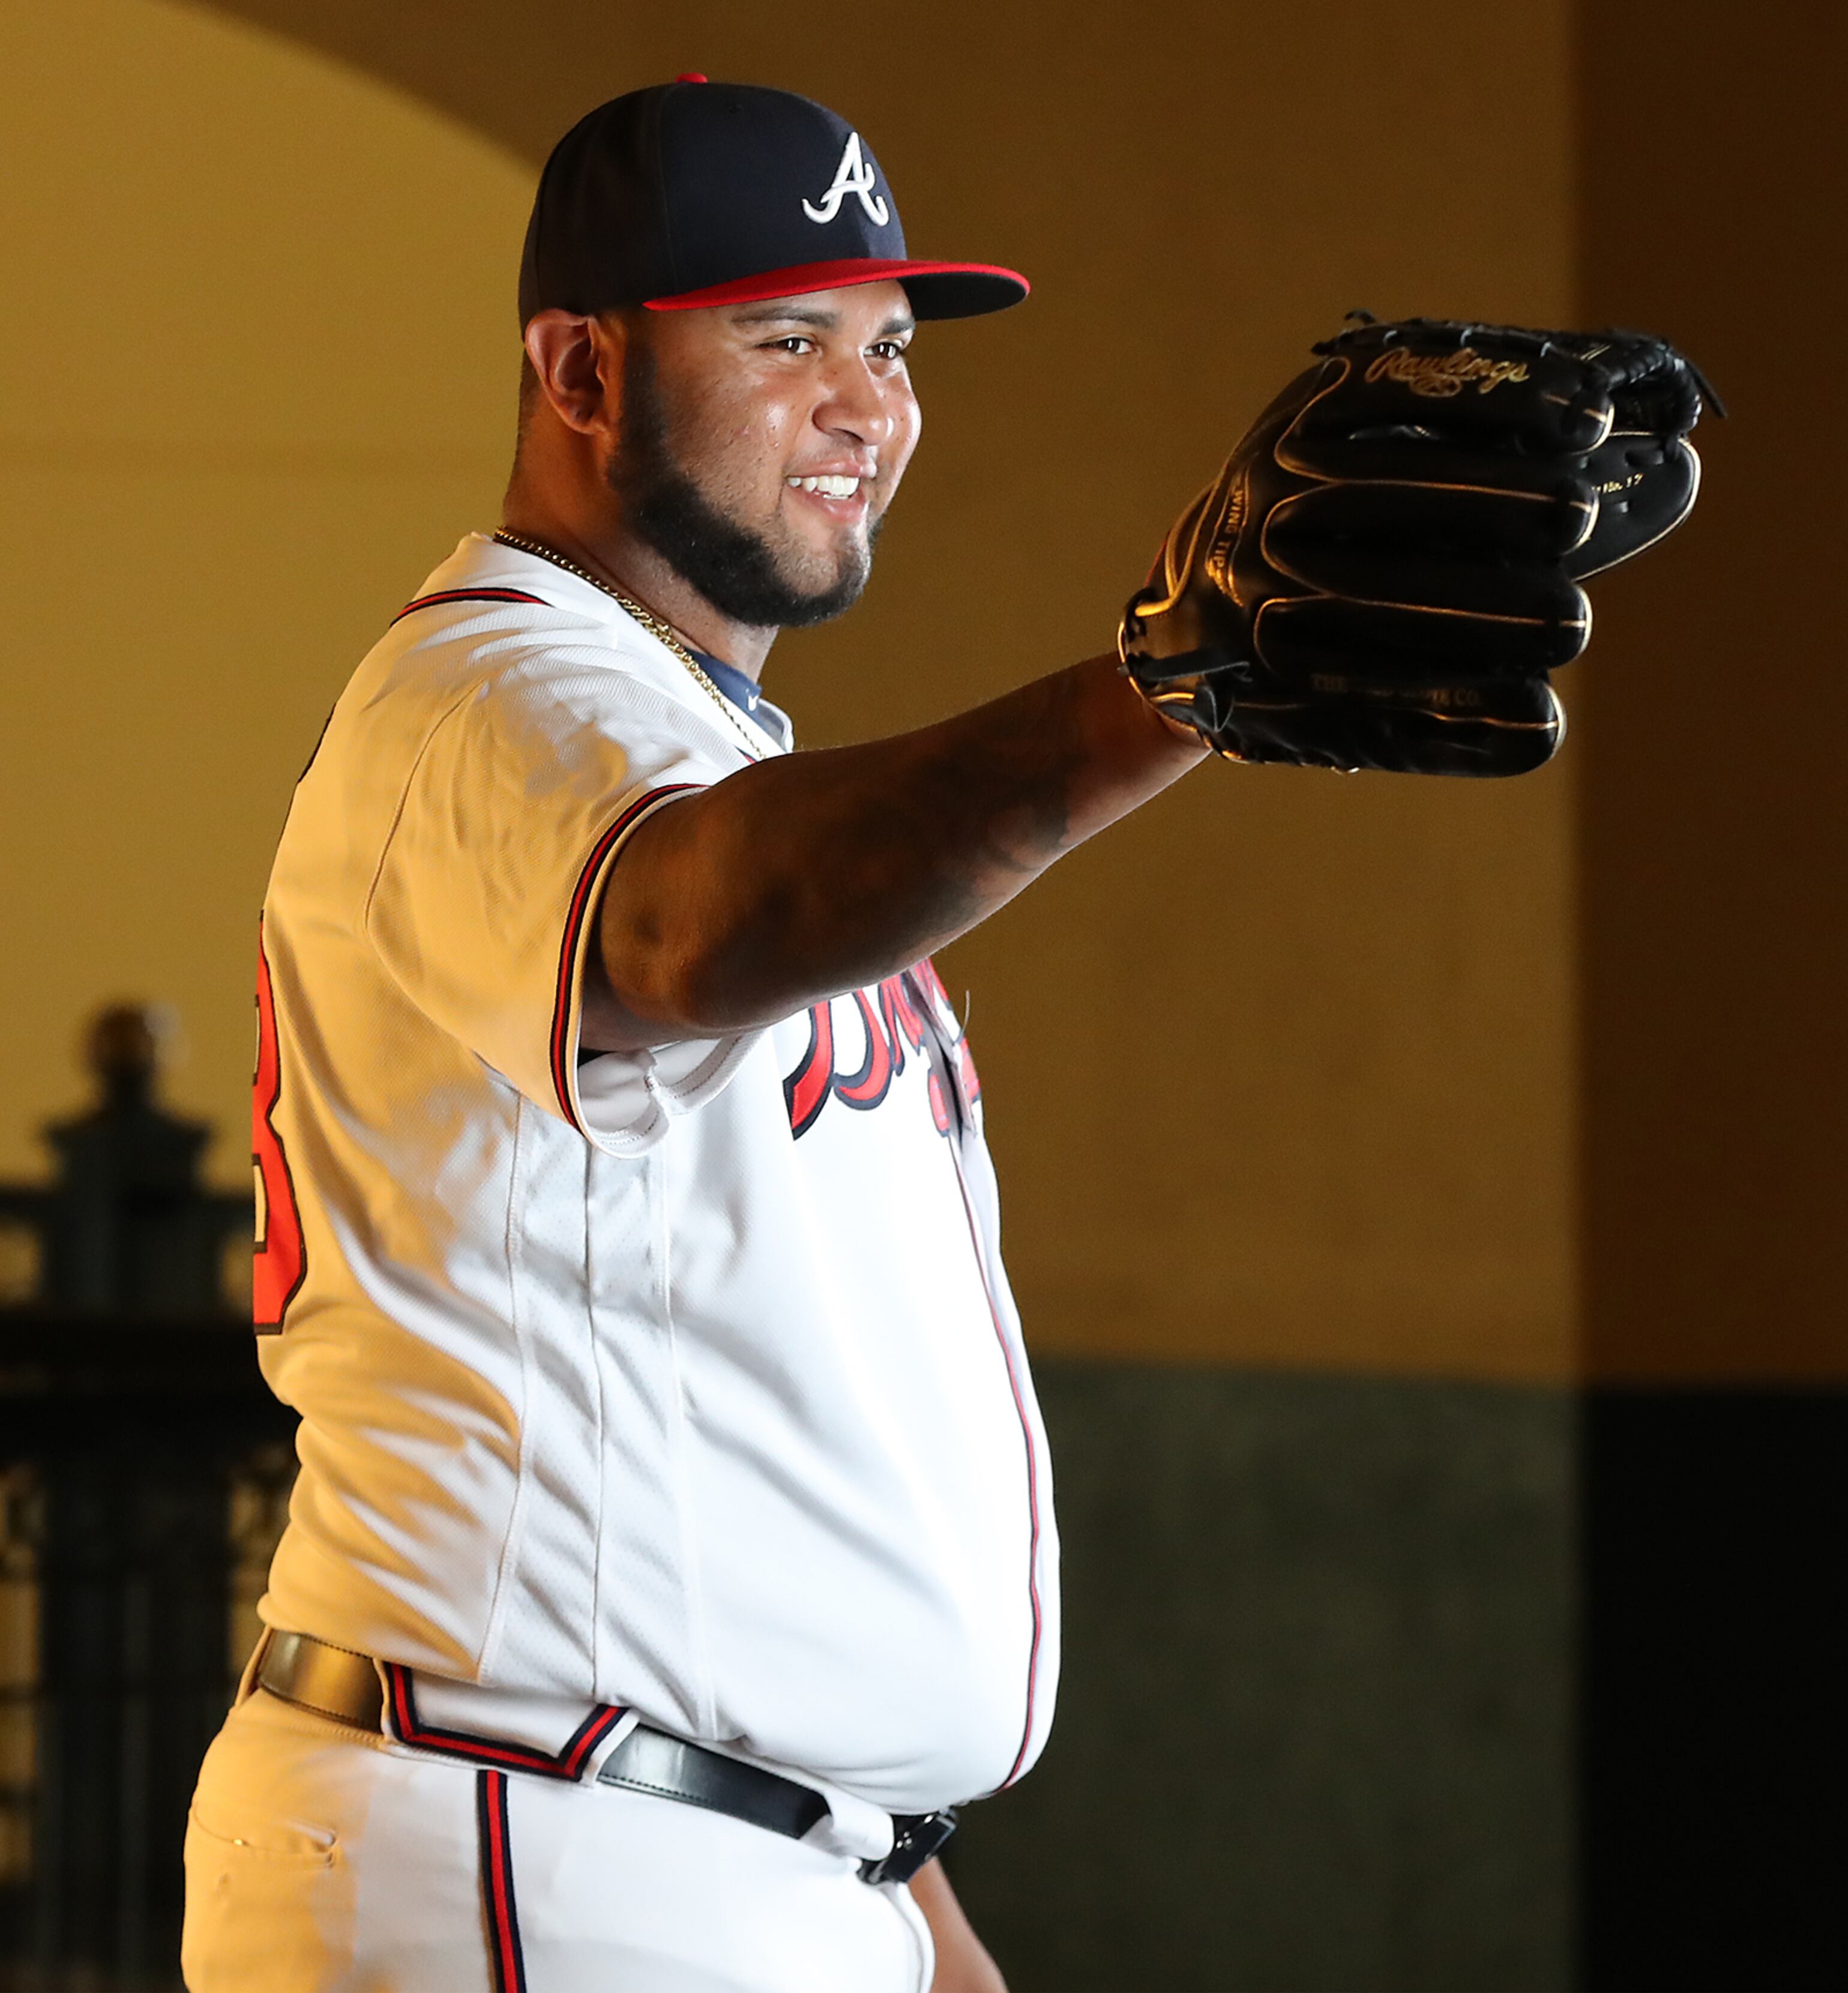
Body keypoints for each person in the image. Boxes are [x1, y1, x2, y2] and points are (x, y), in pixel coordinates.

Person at [184, 77, 1204, 1993]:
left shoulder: (709, 758)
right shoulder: (484, 694)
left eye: (891, 347)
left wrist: (908, 1899)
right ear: (580, 374)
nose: (868, 406)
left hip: (721, 1852)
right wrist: (1173, 689)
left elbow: (765, 1417)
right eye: (786, 334)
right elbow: (691, 917)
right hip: (535, 1838)